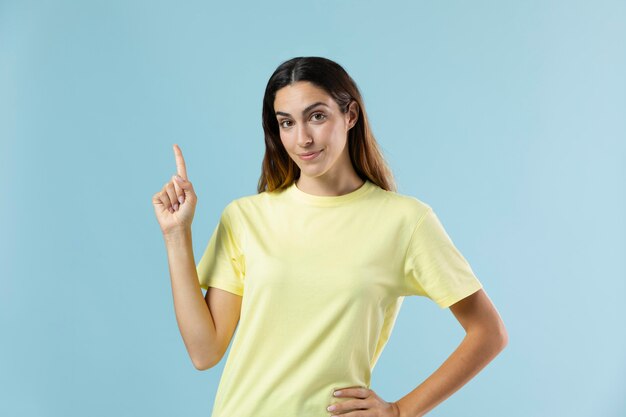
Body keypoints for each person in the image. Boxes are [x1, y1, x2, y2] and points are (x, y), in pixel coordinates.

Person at [152, 56, 508, 417]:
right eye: (286, 123)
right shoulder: (246, 217)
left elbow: (489, 332)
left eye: (317, 116)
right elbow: (204, 352)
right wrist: (176, 235)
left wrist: (401, 411)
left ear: (350, 115)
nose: (302, 138)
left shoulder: (405, 221)